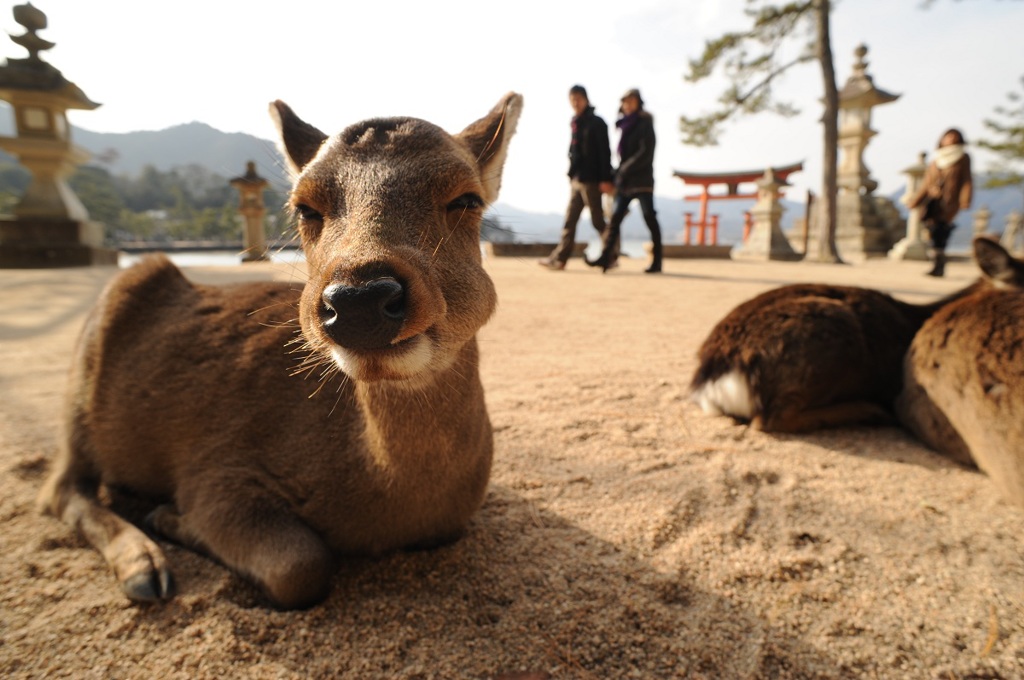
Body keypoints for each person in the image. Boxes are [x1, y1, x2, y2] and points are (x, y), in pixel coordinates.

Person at [586, 88, 663, 274]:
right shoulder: (624, 125)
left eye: (631, 101)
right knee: (615, 220)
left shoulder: (645, 122)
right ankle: (606, 257)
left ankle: (657, 261)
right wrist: (616, 174)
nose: (627, 105)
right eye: (625, 102)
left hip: (642, 180)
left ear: (638, 102)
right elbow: (622, 156)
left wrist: (623, 170)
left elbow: (646, 152)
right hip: (625, 182)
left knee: (649, 217)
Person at [539, 85, 614, 271]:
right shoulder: (575, 122)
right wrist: (571, 174)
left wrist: (606, 178)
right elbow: (574, 152)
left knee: (597, 220)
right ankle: (560, 259)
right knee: (570, 220)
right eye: (572, 99)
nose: (575, 102)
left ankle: (610, 255)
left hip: (593, 180)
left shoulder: (597, 123)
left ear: (586, 99)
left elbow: (605, 153)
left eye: (578, 98)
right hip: (577, 180)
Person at [909, 128, 973, 277]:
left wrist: (965, 199)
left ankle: (939, 265)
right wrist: (916, 200)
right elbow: (926, 184)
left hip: (950, 202)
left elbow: (966, 180)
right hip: (933, 201)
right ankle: (937, 263)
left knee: (941, 231)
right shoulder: (935, 160)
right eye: (948, 136)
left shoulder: (963, 158)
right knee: (933, 231)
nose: (951, 139)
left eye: (954, 136)